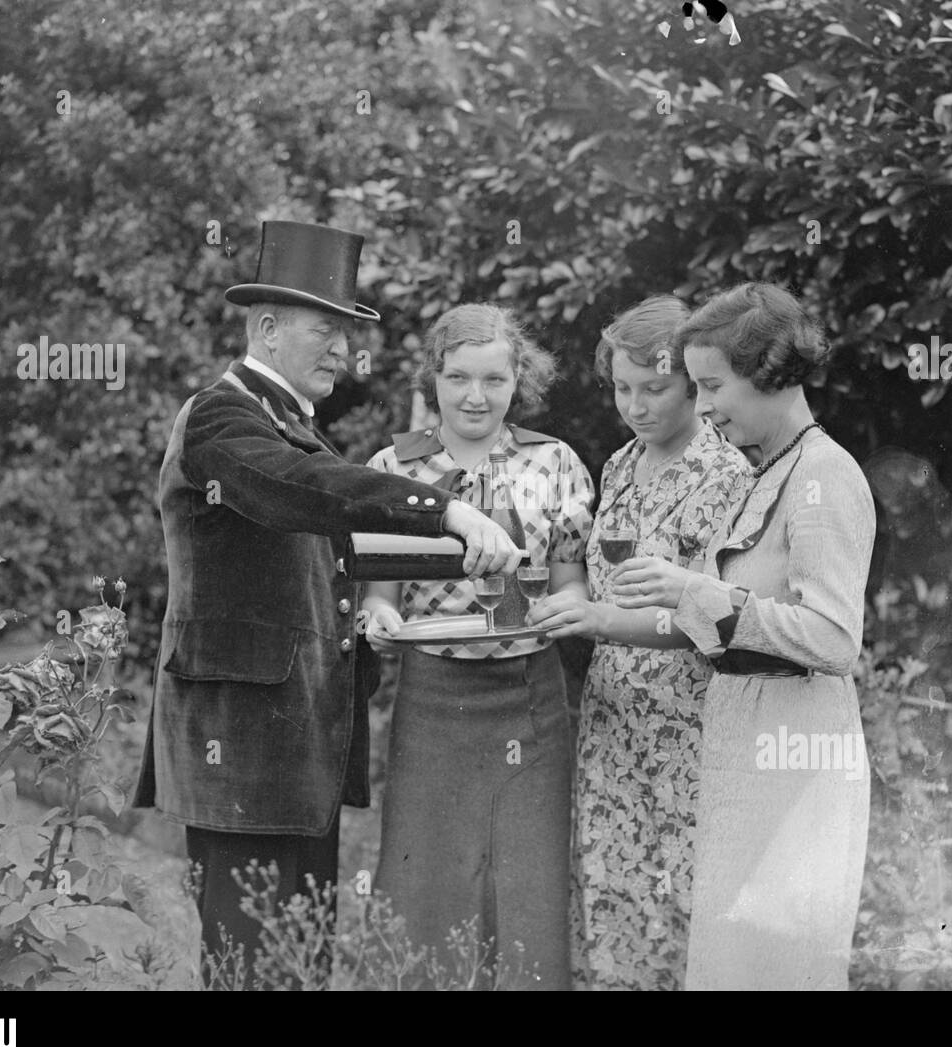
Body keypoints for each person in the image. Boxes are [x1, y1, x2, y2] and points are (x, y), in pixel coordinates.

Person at [131, 221, 521, 988]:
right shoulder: (221, 415)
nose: (346, 350)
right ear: (268, 328)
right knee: (254, 969)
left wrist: (368, 617)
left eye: (350, 331)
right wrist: (443, 510)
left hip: (293, 751)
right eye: (328, 329)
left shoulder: (291, 424)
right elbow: (301, 493)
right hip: (240, 750)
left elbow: (316, 551)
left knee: (295, 966)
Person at [575, 282, 877, 990]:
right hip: (749, 743)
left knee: (778, 967)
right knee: (733, 966)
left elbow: (835, 638)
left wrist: (696, 592)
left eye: (712, 385)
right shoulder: (772, 470)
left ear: (768, 372)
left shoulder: (823, 476)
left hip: (795, 751)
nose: (704, 405)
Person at [360, 303, 594, 990]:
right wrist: (378, 620)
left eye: (494, 379)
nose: (474, 396)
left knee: (528, 883)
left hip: (530, 695)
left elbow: (573, 584)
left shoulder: (554, 463)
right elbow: (381, 593)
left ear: (517, 379)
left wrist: (564, 608)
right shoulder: (392, 467)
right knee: (425, 881)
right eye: (458, 377)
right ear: (434, 378)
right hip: (435, 696)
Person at [549, 295, 751, 990]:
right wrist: (574, 602)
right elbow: (590, 578)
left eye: (654, 388)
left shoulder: (731, 477)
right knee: (611, 904)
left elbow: (713, 619)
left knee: (688, 912)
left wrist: (601, 621)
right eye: (621, 388)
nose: (635, 406)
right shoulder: (615, 467)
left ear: (694, 381)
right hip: (612, 727)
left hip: (689, 731)